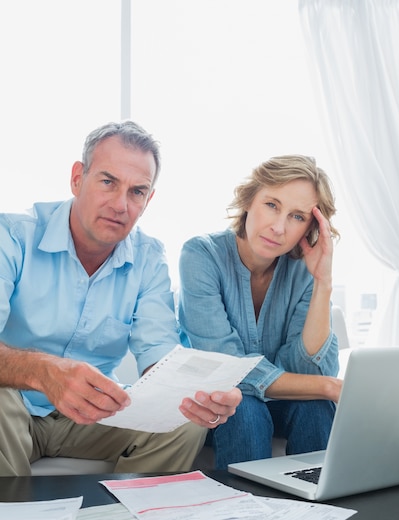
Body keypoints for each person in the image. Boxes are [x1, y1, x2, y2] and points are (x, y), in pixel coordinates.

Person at [0, 120, 241, 476]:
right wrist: (44, 372)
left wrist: (199, 396)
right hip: (12, 406)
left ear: (149, 199)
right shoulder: (13, 236)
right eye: (108, 182)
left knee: (185, 419)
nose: (120, 204)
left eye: (137, 191)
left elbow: (158, 356)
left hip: (90, 416)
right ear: (78, 178)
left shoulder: (149, 258)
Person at [178, 155, 343, 470]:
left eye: (297, 217)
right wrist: (330, 386)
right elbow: (229, 370)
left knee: (318, 407)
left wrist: (323, 282)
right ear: (249, 200)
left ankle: (321, 513)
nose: (279, 228)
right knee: (244, 407)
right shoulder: (201, 255)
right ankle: (244, 515)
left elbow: (309, 370)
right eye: (272, 205)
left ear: (311, 227)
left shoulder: (303, 270)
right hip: (222, 407)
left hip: (284, 405)